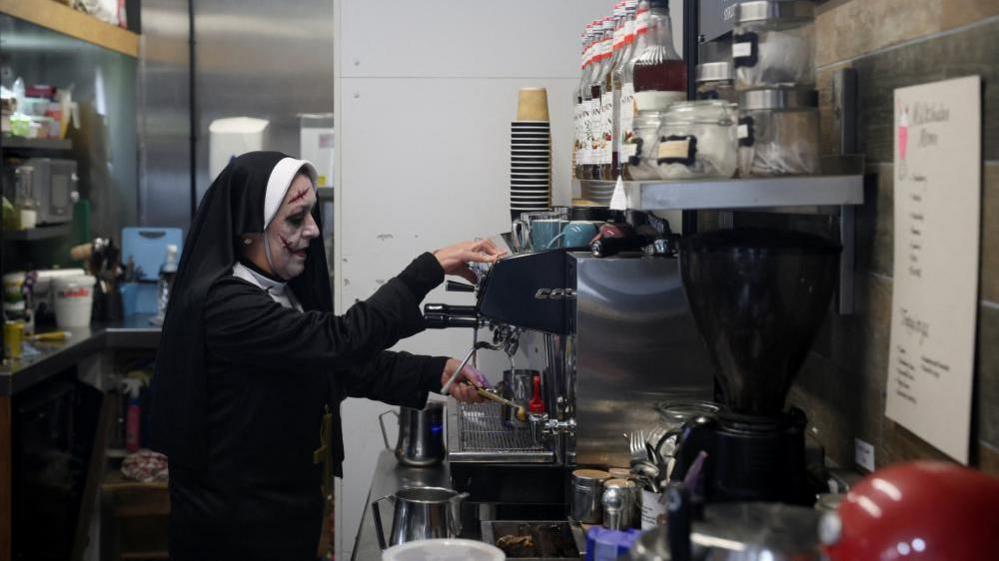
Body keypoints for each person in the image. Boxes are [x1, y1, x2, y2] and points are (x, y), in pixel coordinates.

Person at [150, 151, 502, 560]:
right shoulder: (225, 305)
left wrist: (434, 372)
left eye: (313, 215)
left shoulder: (277, 293)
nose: (314, 230)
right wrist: (430, 267)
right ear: (248, 231)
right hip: (232, 531)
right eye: (296, 219)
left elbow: (334, 368)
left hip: (280, 516)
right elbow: (340, 342)